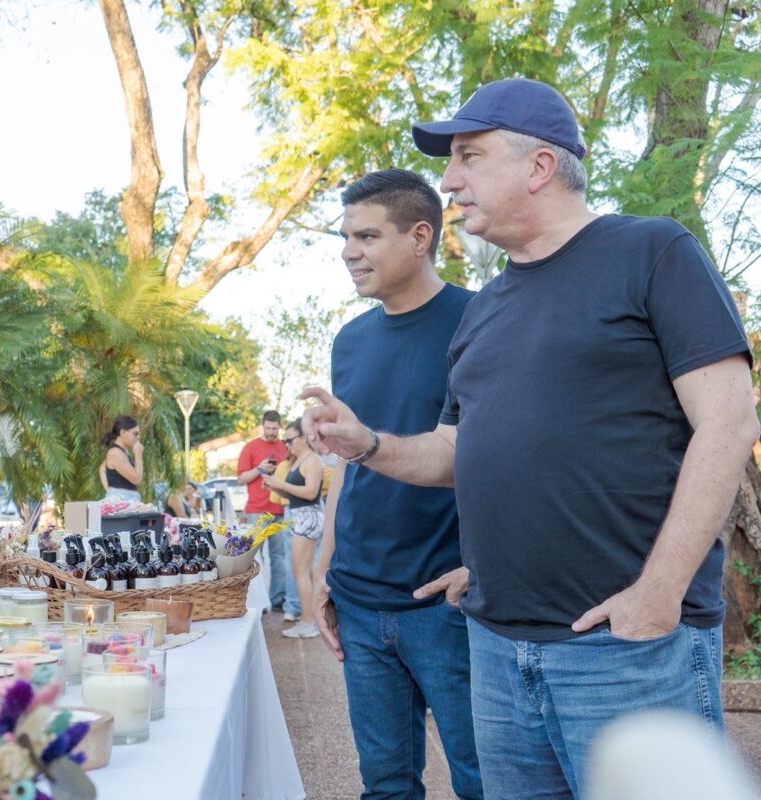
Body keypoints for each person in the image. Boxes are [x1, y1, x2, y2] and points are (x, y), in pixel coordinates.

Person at [302, 78, 758, 799]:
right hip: (496, 645)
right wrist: (365, 444)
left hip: (624, 648)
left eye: (468, 157)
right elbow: (455, 454)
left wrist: (659, 592)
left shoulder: (651, 251)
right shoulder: (485, 311)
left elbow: (729, 423)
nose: (449, 181)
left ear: (540, 166)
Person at [309, 169, 481, 798]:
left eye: (366, 236)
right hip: (358, 598)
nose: (349, 251)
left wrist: (483, 567)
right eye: (345, 236)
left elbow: (501, 458)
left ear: (420, 237)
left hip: (446, 603)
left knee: (483, 778)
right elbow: (346, 461)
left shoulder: (478, 318)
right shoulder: (349, 340)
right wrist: (325, 567)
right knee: (384, 784)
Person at [263, 419, 324, 640]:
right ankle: (309, 620)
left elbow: (310, 493)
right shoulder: (300, 460)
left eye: (290, 440)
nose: (287, 444)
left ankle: (309, 622)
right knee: (303, 572)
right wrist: (277, 487)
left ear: (305, 437)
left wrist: (281, 485)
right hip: (300, 516)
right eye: (285, 440)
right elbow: (296, 494)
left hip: (307, 517)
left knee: (302, 572)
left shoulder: (312, 460)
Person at [237, 411, 291, 617]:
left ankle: (277, 598)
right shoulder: (250, 447)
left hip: (280, 509)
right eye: (267, 428)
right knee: (252, 557)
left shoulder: (286, 447)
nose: (271, 432)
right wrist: (260, 469)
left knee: (279, 557)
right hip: (257, 511)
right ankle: (253, 601)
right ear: (262, 426)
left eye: (274, 429)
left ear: (279, 427)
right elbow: (241, 479)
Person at [100, 415, 143, 502]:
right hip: (122, 502)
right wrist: (138, 454)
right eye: (135, 433)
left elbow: (102, 468)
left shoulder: (122, 451)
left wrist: (109, 491)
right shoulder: (115, 453)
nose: (137, 437)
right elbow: (137, 479)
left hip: (126, 500)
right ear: (123, 432)